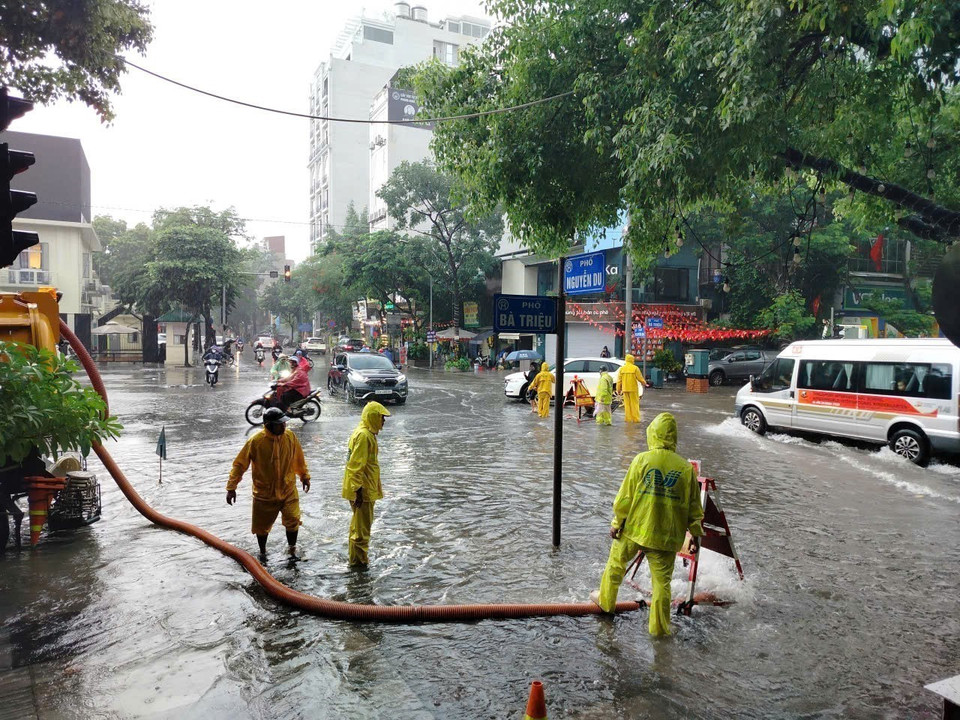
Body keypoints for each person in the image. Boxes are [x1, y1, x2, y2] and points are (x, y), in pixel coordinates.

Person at [590, 412, 704, 636]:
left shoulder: (641, 460)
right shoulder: (685, 469)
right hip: (666, 538)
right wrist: (695, 536)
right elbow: (694, 509)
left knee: (615, 566)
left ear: (652, 433)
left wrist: (617, 523)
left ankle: (606, 603)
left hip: (633, 531)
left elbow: (624, 499)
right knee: (661, 584)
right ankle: (659, 630)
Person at [226, 407, 311, 559]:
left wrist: (304, 476)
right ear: (268, 425)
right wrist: (231, 488)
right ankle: (263, 552)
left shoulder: (290, 437)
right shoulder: (256, 441)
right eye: (279, 424)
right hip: (264, 494)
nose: (283, 426)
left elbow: (298, 458)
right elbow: (240, 465)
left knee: (293, 520)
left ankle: (292, 549)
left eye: (284, 423)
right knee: (261, 527)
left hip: (288, 489)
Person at [342, 401, 391, 567]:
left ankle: (356, 559)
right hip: (362, 490)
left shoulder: (364, 433)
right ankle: (359, 564)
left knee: (358, 527)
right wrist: (358, 491)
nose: (383, 421)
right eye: (381, 417)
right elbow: (356, 465)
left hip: (362, 488)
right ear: (372, 417)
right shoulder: (364, 436)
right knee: (361, 531)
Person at [617, 353, 646, 423]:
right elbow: (640, 378)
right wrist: (644, 383)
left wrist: (618, 389)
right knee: (634, 404)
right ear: (632, 360)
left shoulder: (622, 369)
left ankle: (628, 419)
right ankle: (636, 419)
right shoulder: (635, 368)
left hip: (625, 389)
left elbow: (619, 380)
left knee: (627, 405)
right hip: (633, 389)